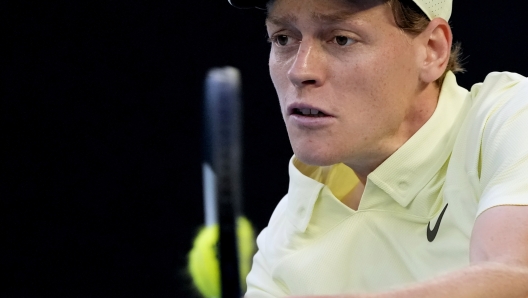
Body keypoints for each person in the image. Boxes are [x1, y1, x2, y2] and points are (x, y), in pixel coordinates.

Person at [228, 0, 528, 297]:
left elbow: (517, 275)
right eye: (283, 38)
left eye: (341, 39)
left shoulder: (511, 116)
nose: (300, 71)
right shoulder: (283, 239)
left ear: (432, 50)